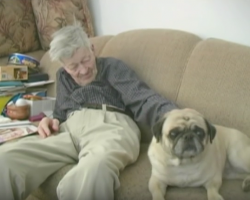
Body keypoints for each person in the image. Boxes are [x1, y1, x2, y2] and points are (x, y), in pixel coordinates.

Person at [0, 23, 178, 200]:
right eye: (73, 67)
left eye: (86, 59)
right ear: (63, 65)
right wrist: (51, 120)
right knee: (6, 159)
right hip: (68, 130)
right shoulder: (63, 77)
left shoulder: (112, 68)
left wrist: (177, 117)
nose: (83, 70)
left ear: (92, 49)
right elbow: (60, 115)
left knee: (94, 170)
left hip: (110, 126)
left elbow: (143, 99)